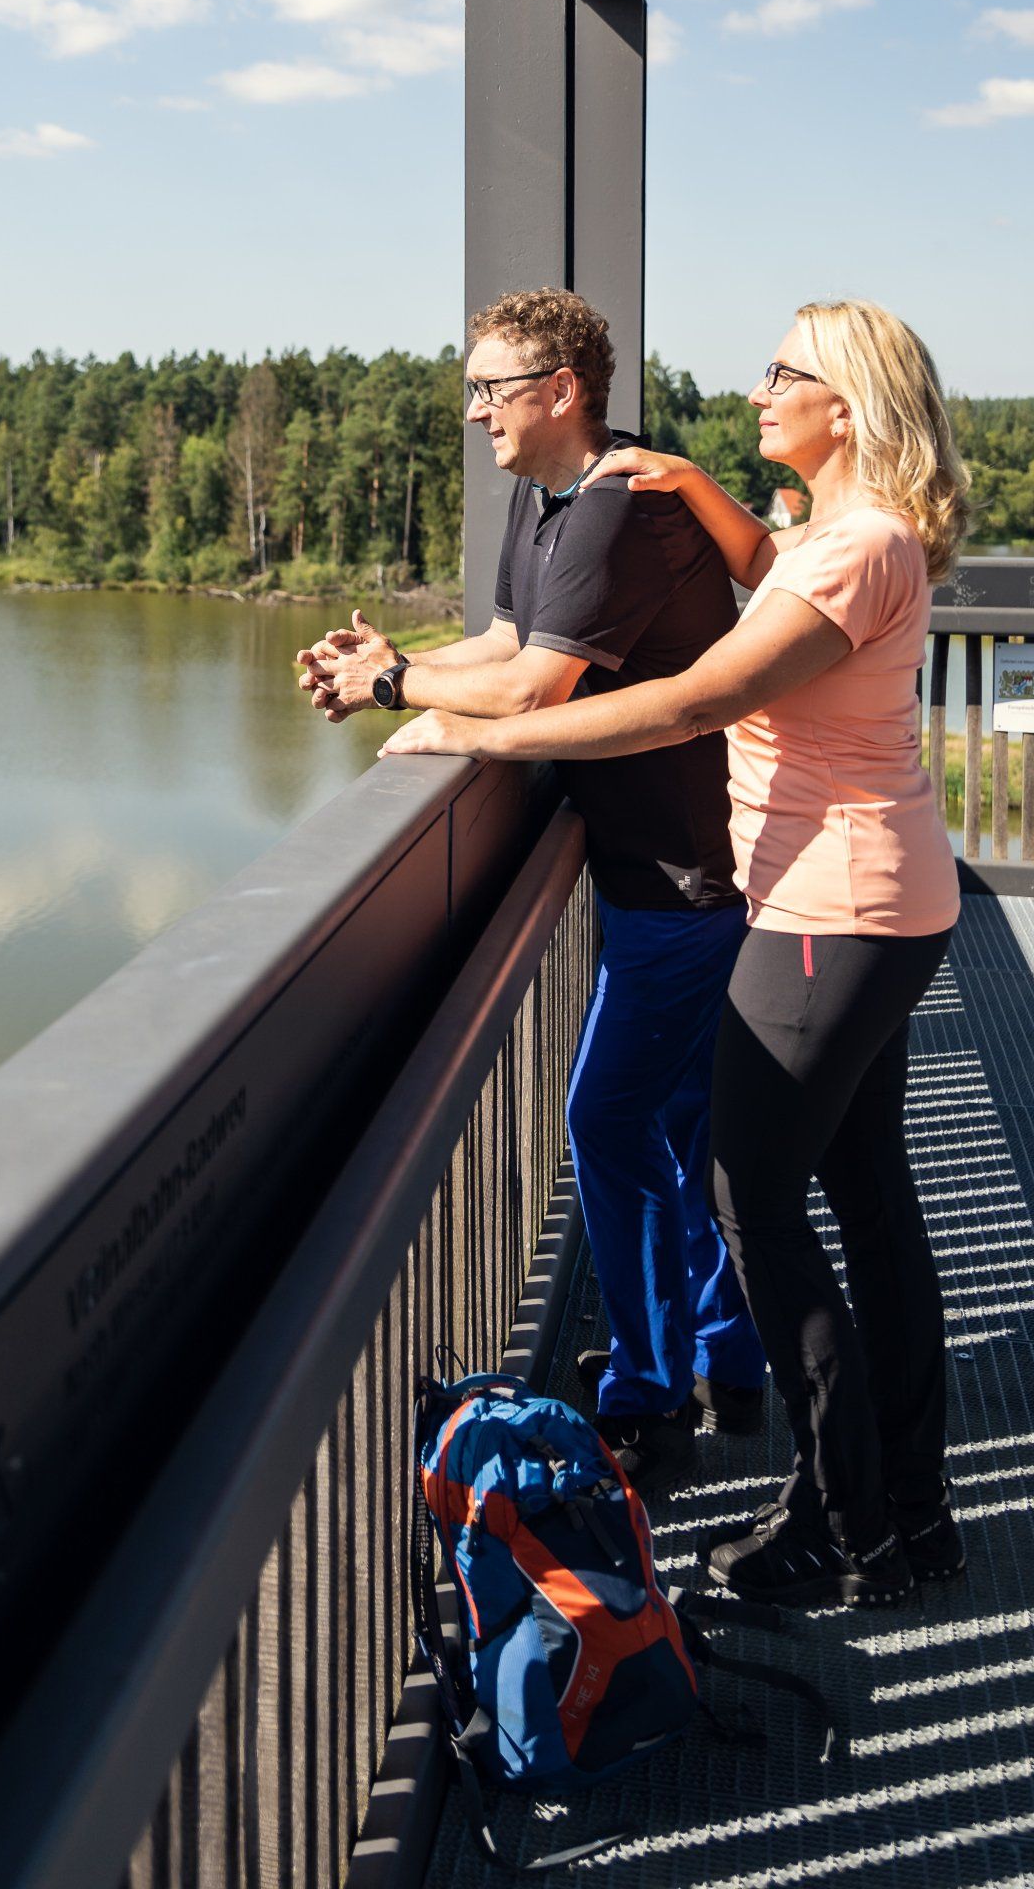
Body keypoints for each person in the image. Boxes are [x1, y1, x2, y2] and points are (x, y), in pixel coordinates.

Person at [381, 298, 969, 1610]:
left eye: (783, 374)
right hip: (870, 905)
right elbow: (762, 582)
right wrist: (701, 483)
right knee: (870, 1212)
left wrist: (483, 734)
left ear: (847, 408)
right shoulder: (845, 539)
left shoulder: (855, 546)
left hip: (830, 915)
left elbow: (696, 697)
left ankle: (844, 1524)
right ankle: (910, 1517)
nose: (758, 389)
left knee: (751, 1200)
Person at [298, 287, 765, 1485]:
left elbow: (533, 697)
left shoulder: (616, 510)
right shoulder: (547, 495)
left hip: (690, 876)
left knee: (609, 1119)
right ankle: (730, 1356)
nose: (475, 412)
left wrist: (411, 693)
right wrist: (391, 669)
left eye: (492, 389)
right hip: (653, 866)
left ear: (560, 390)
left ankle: (653, 1390)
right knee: (668, 1121)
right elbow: (504, 649)